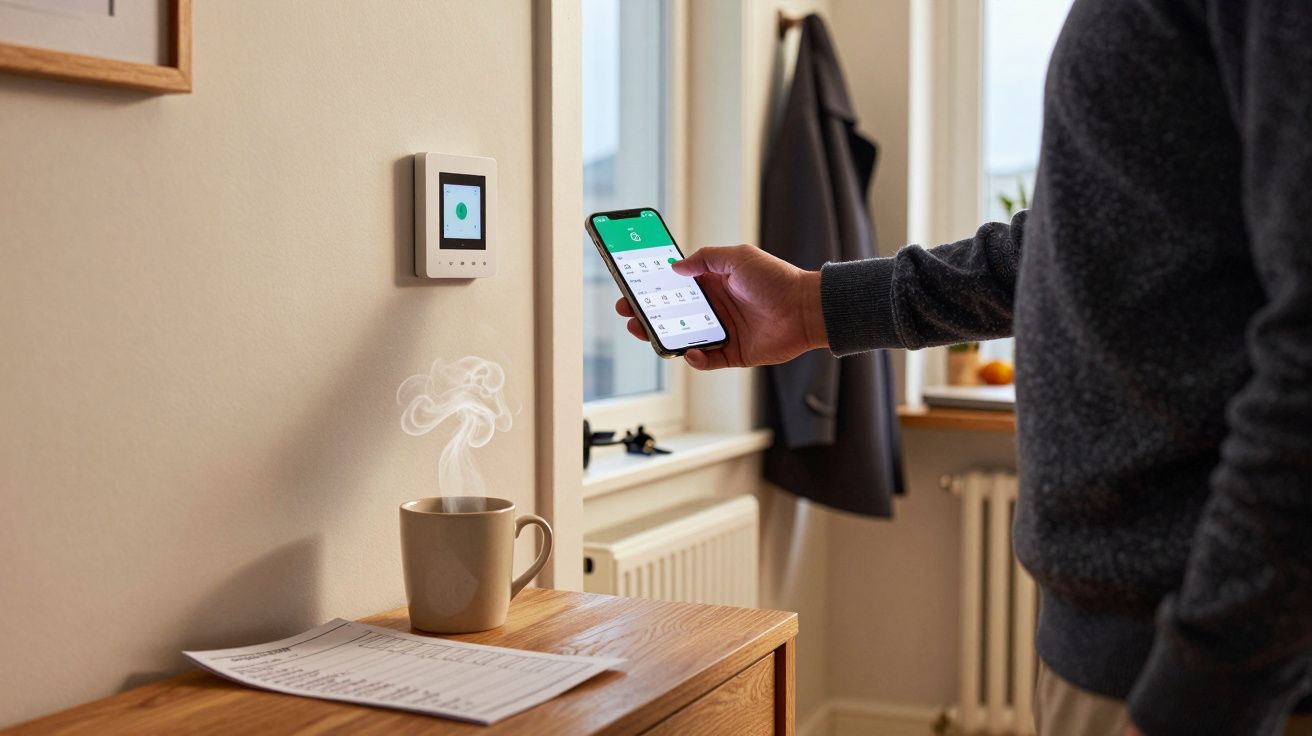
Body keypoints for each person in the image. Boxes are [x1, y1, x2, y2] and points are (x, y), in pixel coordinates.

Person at [615, 2, 1311, 735]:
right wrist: (808, 306)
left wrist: (1201, 691)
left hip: (1204, 674)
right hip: (1144, 650)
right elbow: (1069, 245)